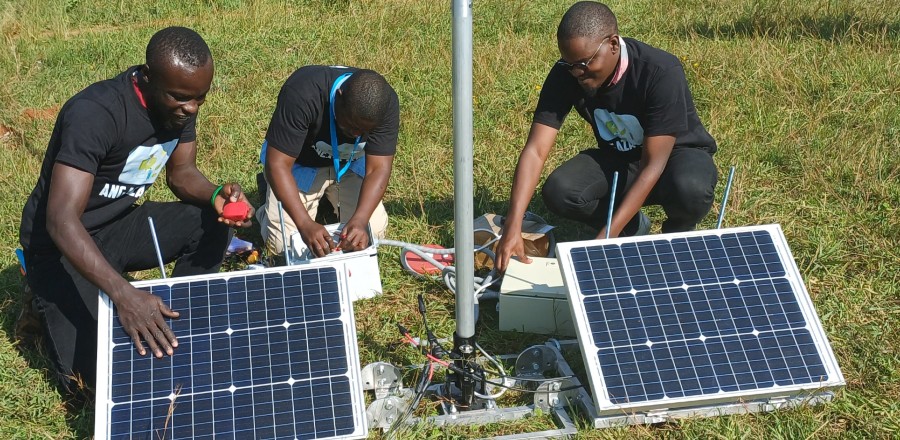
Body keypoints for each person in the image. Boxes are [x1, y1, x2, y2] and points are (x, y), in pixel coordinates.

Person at [18, 26, 253, 396]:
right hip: (60, 247)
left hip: (116, 227)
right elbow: (60, 220)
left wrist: (214, 196)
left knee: (210, 223)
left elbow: (182, 174)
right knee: (97, 384)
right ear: (147, 78)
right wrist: (124, 296)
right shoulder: (96, 113)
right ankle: (43, 305)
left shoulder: (180, 102)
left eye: (200, 99)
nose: (191, 109)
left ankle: (182, 320)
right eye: (181, 98)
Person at [496, 1, 718, 273]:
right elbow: (536, 150)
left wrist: (603, 240)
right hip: (622, 160)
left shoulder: (660, 71)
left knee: (691, 187)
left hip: (673, 158)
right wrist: (513, 225)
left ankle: (675, 238)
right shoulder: (567, 73)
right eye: (570, 64)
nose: (577, 73)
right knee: (560, 191)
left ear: (613, 44)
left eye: (584, 64)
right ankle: (633, 227)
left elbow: (653, 166)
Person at [256, 65, 399, 258]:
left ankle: (325, 202)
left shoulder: (384, 103)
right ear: (339, 97)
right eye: (351, 126)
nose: (357, 133)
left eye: (364, 131)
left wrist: (360, 219)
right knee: (285, 248)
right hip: (300, 164)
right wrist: (305, 224)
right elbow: (278, 164)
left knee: (372, 234)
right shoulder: (303, 92)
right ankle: (267, 204)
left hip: (351, 161)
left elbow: (378, 168)